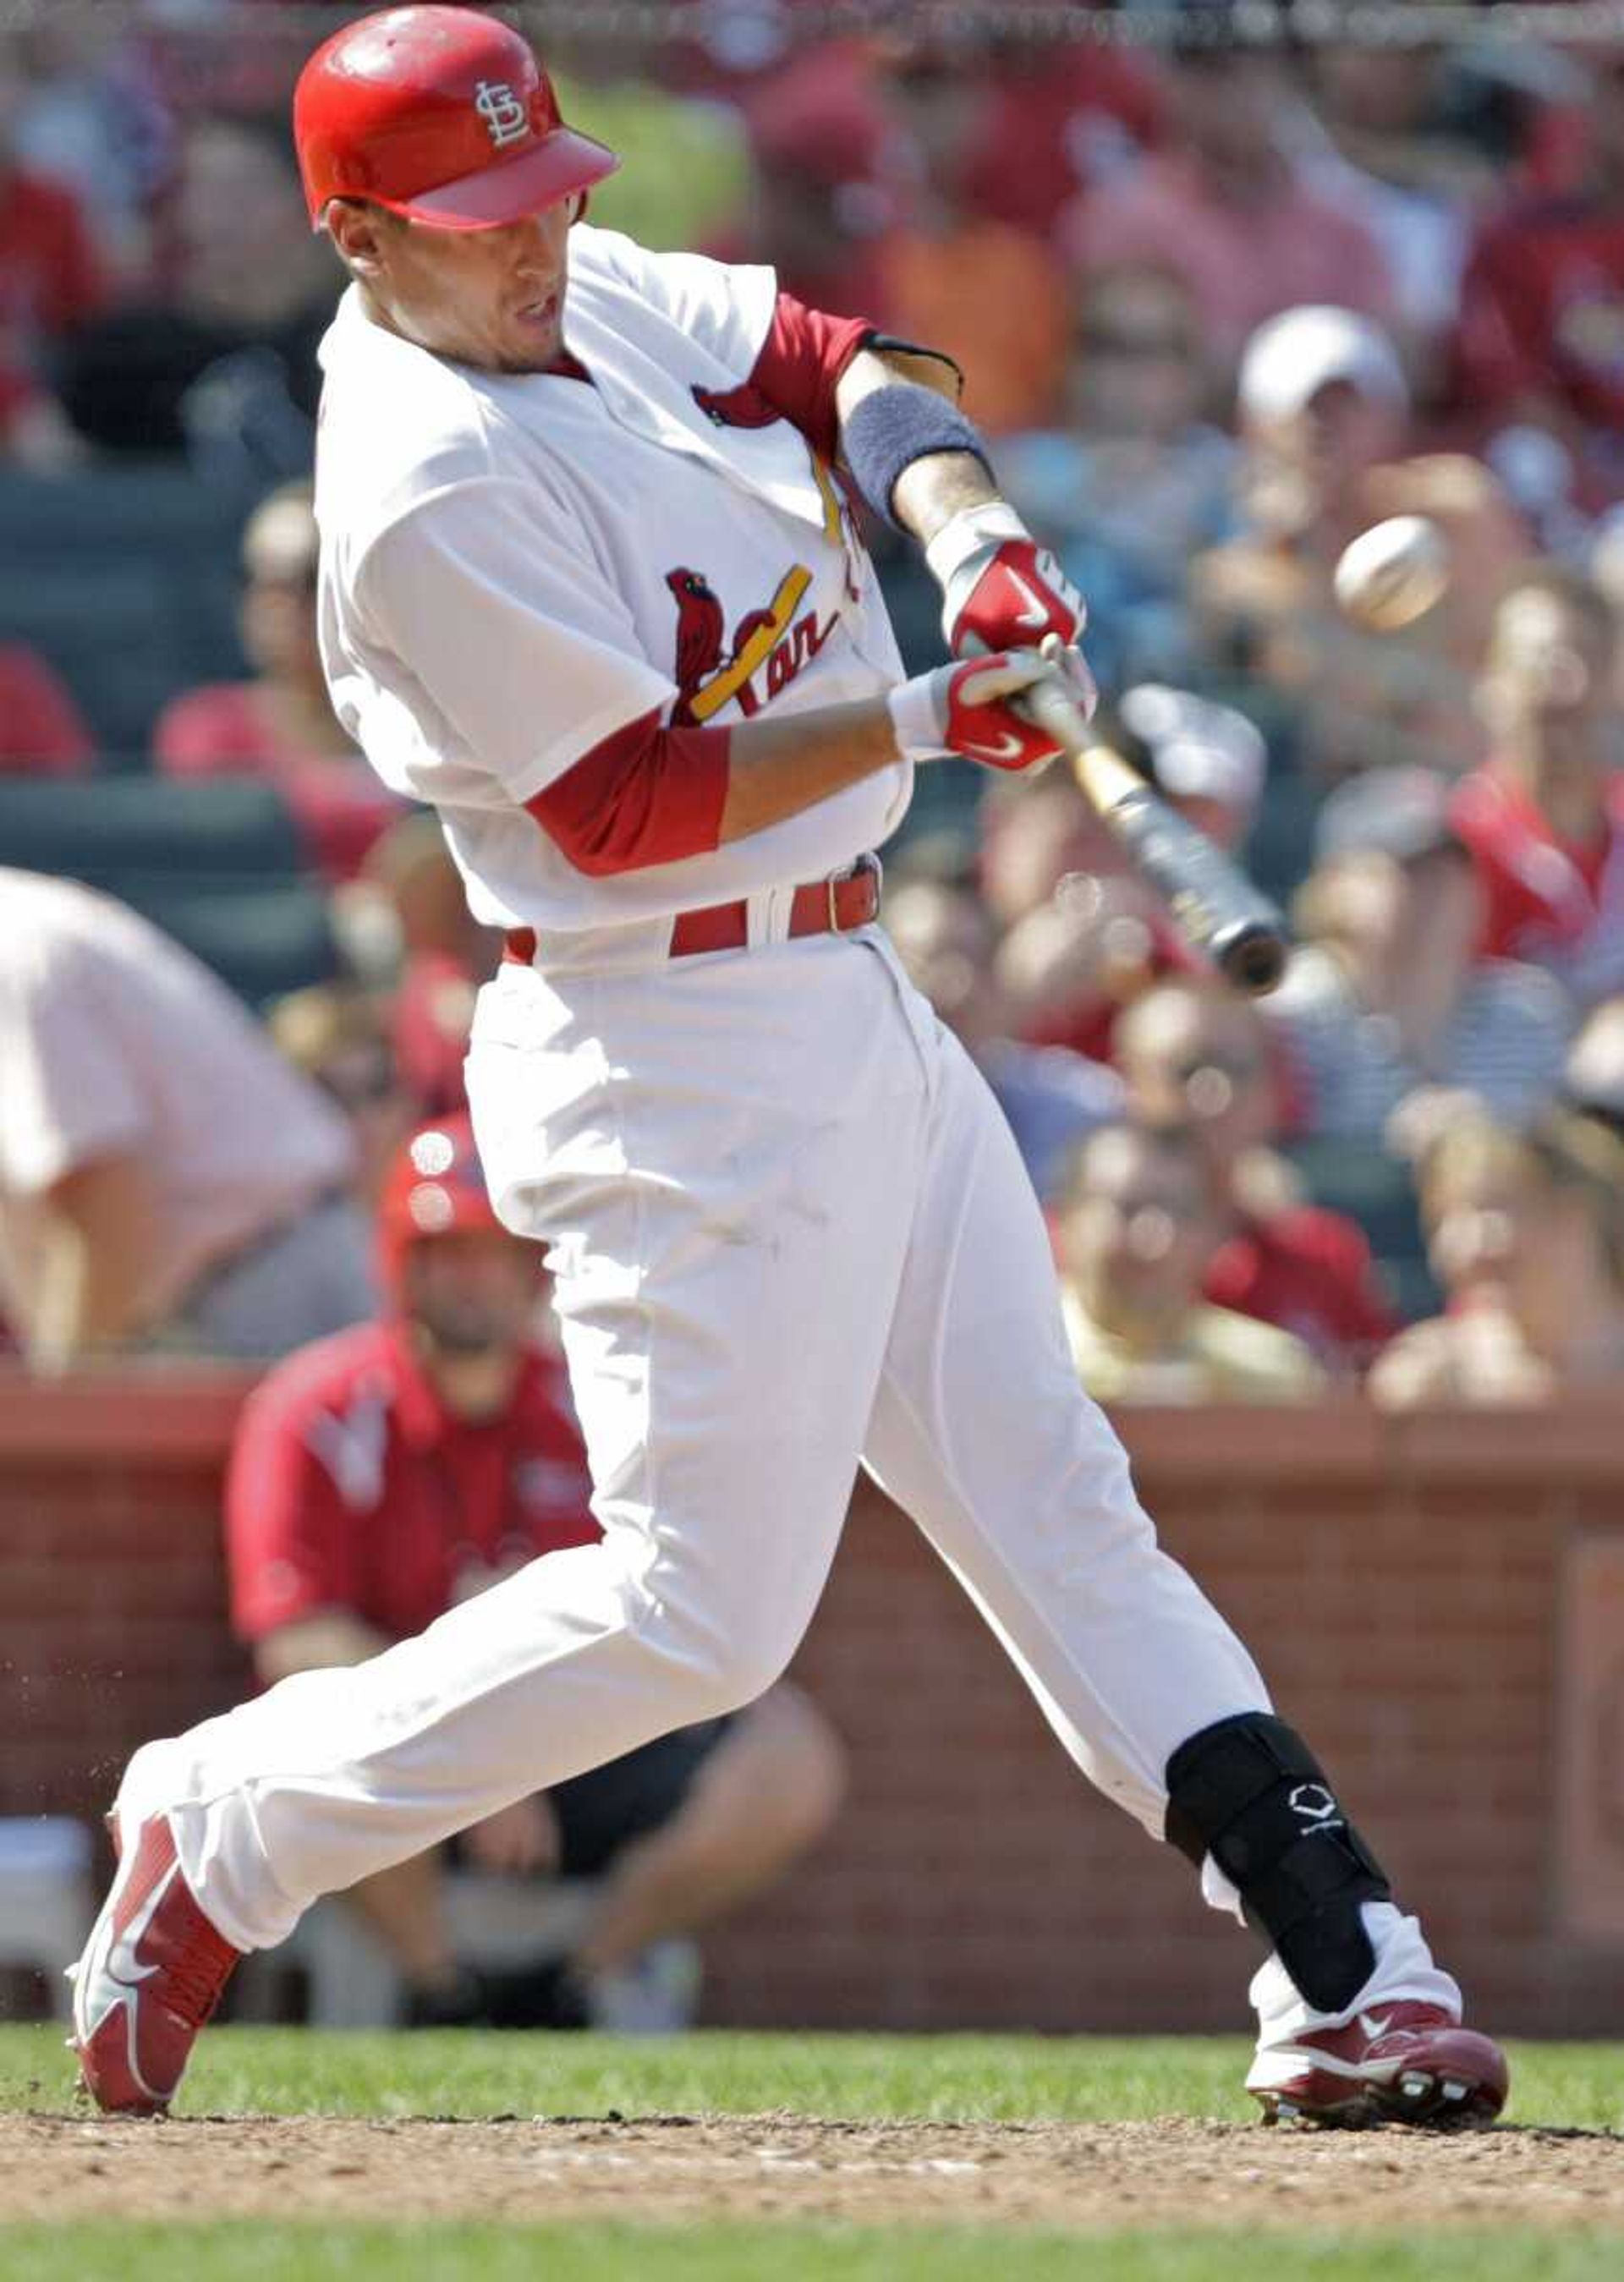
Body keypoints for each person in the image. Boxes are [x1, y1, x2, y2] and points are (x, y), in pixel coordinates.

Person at [71, 8, 1506, 2133]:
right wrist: (934, 719)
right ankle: (233, 1819)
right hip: (666, 1028)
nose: (536, 245)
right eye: (476, 225)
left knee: (1054, 1493)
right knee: (697, 1615)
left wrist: (968, 532)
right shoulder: (415, 483)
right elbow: (621, 804)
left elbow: (840, 357)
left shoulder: (573, 286)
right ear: (359, 237)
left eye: (544, 191)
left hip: (846, 996)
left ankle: (1344, 1963)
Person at [228, 1115, 845, 2027]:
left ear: (533, 1267)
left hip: (578, 1743)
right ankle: (440, 1992)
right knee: (325, 1722)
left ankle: (572, 1981)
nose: (471, 1276)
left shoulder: (599, 1406)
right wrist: (478, 1745)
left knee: (788, 1751)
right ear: (399, 1262)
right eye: (444, 1251)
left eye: (491, 1250)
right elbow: (295, 1637)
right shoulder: (312, 1409)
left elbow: (689, 1613)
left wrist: (531, 1744)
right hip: (406, 1753)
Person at [0, 868, 376, 1370]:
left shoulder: (19, 952)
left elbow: (108, 1204)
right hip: (232, 1288)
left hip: (267, 1289)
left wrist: (63, 1404)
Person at [1267, 766, 1574, 1144]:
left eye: (1457, 863)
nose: (1439, 886)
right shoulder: (1287, 1017)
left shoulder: (1527, 1011)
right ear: (1334, 887)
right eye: (1411, 868)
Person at [1114, 977, 1396, 1374]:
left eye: (1238, 1069)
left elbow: (1373, 1397)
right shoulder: (1081, 1242)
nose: (1216, 1093)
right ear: (1130, 1083)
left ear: (1273, 1090)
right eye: (1188, 1068)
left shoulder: (1321, 1254)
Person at [153, 482, 409, 884]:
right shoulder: (208, 727)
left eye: (308, 576)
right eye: (256, 577)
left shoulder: (422, 720)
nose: (278, 600)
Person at [1054, 1122, 1326, 1407]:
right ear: (1066, 1222)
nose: (1155, 1241)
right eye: (1128, 1207)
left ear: (1212, 1233)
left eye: (1180, 1211)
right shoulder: (1021, 1361)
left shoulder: (1274, 1374)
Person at [1449, 564, 1624, 1007]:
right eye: (1538, 661)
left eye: (1586, 659)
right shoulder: (1458, 845)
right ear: (1490, 685)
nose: (1564, 686)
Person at [1369, 1107, 1624, 1409]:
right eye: (1440, 1220)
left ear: (1577, 1217)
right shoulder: (1435, 1373)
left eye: (1491, 1209)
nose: (1461, 1247)